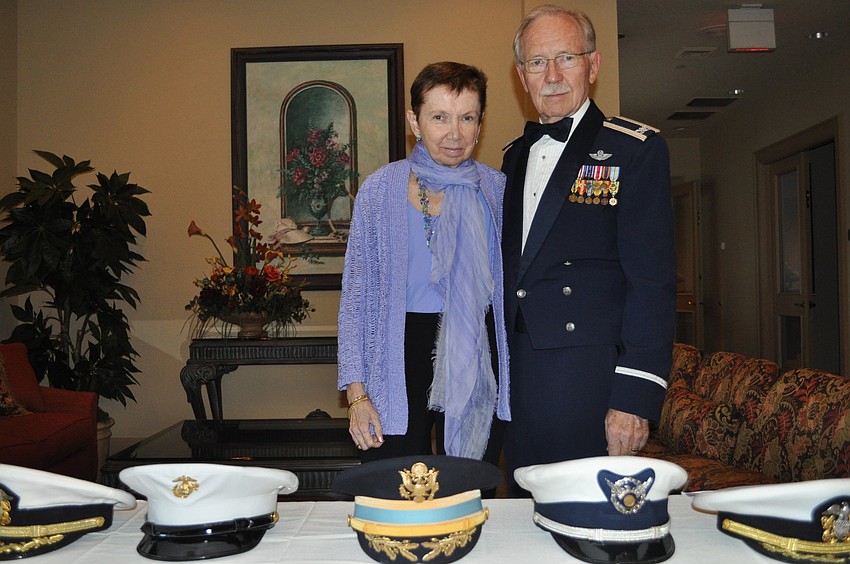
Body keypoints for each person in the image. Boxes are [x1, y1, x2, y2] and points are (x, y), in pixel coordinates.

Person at [501, 6, 676, 492]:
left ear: (593, 65)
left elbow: (653, 283)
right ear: (521, 76)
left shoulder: (634, 149)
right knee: (523, 516)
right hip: (518, 379)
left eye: (566, 58)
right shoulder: (513, 156)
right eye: (537, 62)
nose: (552, 76)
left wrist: (635, 397)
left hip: (590, 381)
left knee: (588, 521)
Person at [338, 62, 509, 466]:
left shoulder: (497, 190)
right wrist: (357, 395)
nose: (455, 133)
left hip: (477, 351)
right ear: (415, 121)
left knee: (468, 491)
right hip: (397, 355)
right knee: (395, 494)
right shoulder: (380, 190)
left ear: (480, 124)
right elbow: (355, 301)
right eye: (440, 117)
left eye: (467, 118)